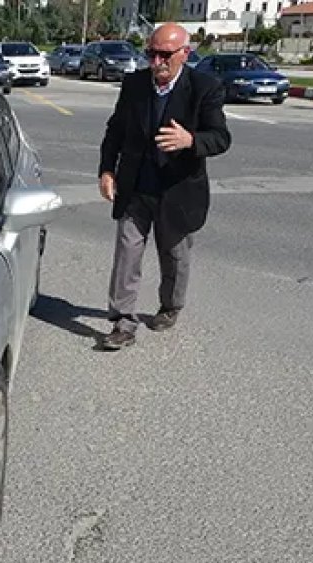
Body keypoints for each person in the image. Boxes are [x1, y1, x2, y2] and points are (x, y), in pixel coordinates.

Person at [96, 23, 231, 350]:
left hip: (178, 191)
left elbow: (221, 138)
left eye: (164, 55)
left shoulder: (204, 87)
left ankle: (170, 306)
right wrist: (106, 170)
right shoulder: (134, 84)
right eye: (151, 54)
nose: (156, 62)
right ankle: (122, 322)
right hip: (135, 188)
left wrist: (191, 140)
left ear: (185, 53)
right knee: (127, 254)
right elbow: (115, 130)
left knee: (174, 256)